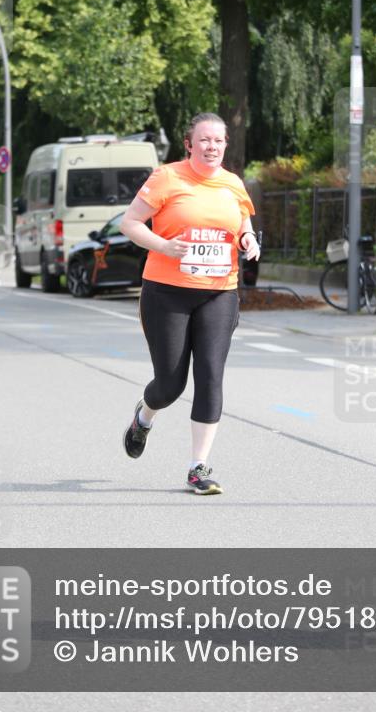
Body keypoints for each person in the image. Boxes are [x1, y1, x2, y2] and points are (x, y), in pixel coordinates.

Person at [119, 112, 260, 495]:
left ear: (225, 145)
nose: (212, 147)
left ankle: (198, 468)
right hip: (167, 292)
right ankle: (144, 417)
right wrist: (163, 245)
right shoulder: (167, 178)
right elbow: (129, 223)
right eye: (205, 140)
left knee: (211, 375)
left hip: (219, 291)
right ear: (189, 144)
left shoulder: (233, 184)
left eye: (219, 141)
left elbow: (243, 224)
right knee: (170, 384)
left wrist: (249, 241)